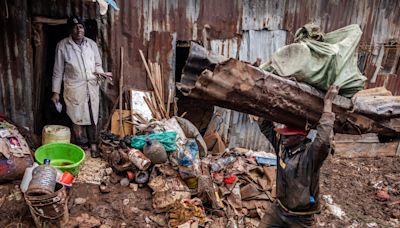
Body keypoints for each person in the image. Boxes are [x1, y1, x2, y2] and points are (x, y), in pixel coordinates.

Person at [258, 85, 339, 227]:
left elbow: (322, 140)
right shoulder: (282, 147)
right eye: (283, 134)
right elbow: (265, 126)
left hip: (301, 218)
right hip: (279, 209)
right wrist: (263, 93)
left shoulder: (310, 156)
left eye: (289, 135)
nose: (284, 137)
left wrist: (328, 104)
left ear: (302, 136)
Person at [51, 16, 104, 158]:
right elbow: (58, 71)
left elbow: (98, 64)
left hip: (91, 85)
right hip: (74, 87)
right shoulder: (62, 46)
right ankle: (81, 146)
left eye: (80, 26)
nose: (78, 29)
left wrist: (101, 73)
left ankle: (93, 144)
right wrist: (56, 92)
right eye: (75, 27)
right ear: (70, 29)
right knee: (77, 117)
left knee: (93, 115)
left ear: (84, 29)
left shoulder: (91, 44)